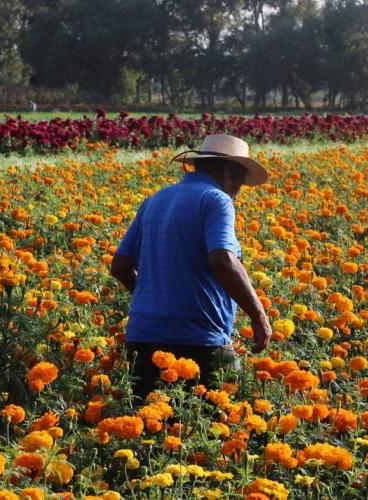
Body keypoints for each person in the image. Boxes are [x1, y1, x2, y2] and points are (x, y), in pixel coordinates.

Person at [110, 134, 273, 401]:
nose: (238, 191)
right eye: (240, 181)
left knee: (152, 420)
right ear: (229, 171)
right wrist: (259, 316)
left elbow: (120, 266)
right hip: (198, 337)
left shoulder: (154, 201)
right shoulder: (216, 199)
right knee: (224, 413)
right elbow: (223, 260)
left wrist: (153, 300)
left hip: (142, 337)